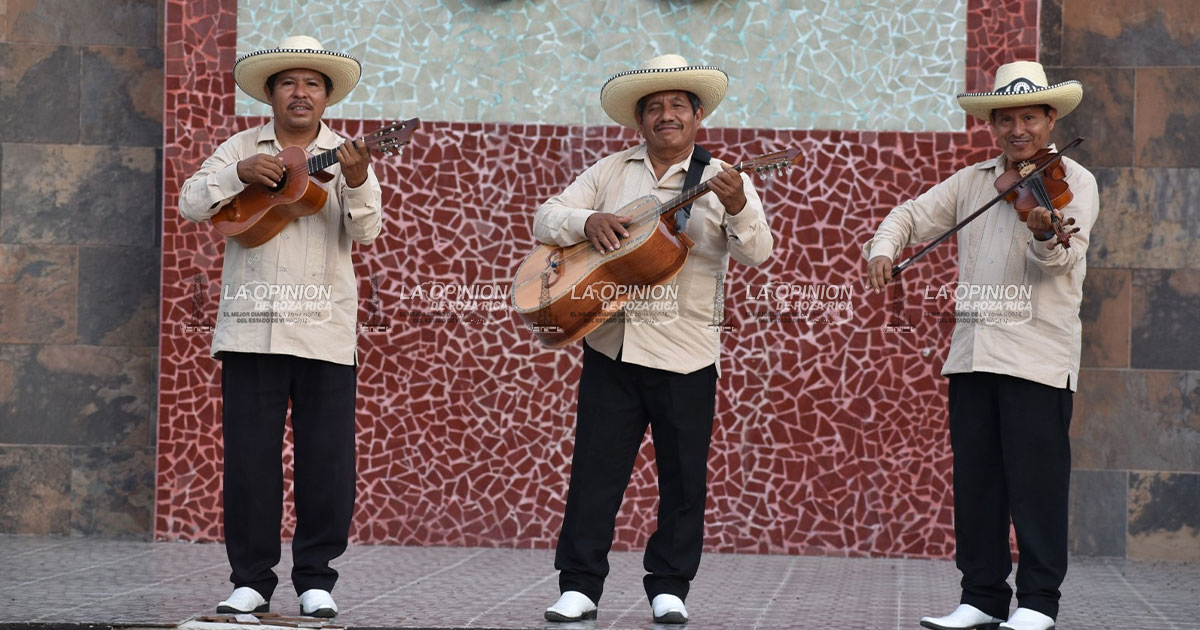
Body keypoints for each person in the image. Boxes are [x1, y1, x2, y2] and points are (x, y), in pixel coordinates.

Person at [533, 54, 774, 624]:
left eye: (677, 106)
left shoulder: (725, 179)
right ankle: (580, 587)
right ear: (640, 122)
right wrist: (585, 222)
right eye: (654, 107)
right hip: (610, 346)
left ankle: (669, 587)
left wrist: (738, 205)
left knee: (684, 480)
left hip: (687, 351)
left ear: (697, 116)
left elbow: (758, 253)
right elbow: (546, 216)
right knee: (595, 472)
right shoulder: (610, 171)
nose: (666, 115)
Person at [864, 61, 1097, 630]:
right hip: (971, 356)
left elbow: (1063, 258)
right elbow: (910, 214)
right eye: (1006, 119)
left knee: (1036, 489)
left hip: (1037, 358)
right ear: (993, 124)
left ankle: (1039, 604)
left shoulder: (1076, 182)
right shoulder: (973, 181)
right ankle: (982, 598)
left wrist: (1044, 230)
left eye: (1030, 118)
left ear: (1050, 119)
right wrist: (883, 249)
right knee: (978, 487)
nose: (1018, 130)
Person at [179, 35, 382, 618]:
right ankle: (250, 580)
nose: (301, 92)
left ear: (326, 96)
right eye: (289, 82)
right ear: (270, 94)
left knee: (327, 462)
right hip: (251, 329)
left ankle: (317, 578)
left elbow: (366, 233)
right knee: (249, 461)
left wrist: (362, 178)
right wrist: (236, 172)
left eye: (312, 84)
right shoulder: (240, 146)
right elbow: (193, 203)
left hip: (324, 331)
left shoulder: (347, 155)